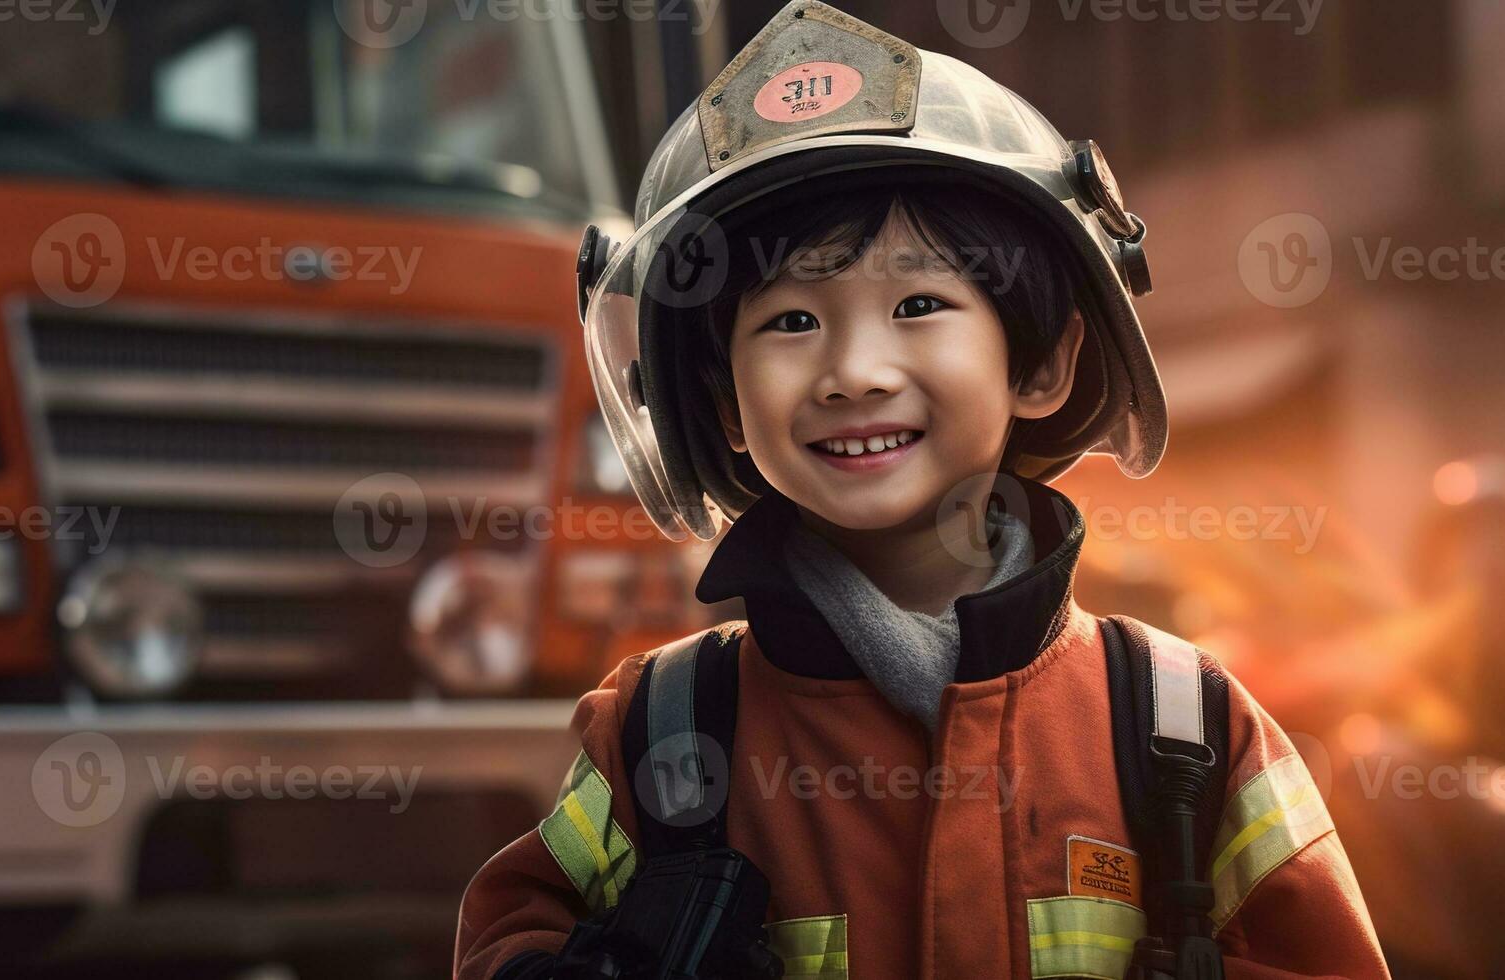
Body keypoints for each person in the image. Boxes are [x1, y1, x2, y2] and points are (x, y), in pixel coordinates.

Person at [453, 4, 1388, 978]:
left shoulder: (1181, 727)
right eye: (790, 319)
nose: (854, 368)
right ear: (723, 404)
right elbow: (508, 940)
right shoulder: (656, 733)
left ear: (1040, 365)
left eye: (918, 304)